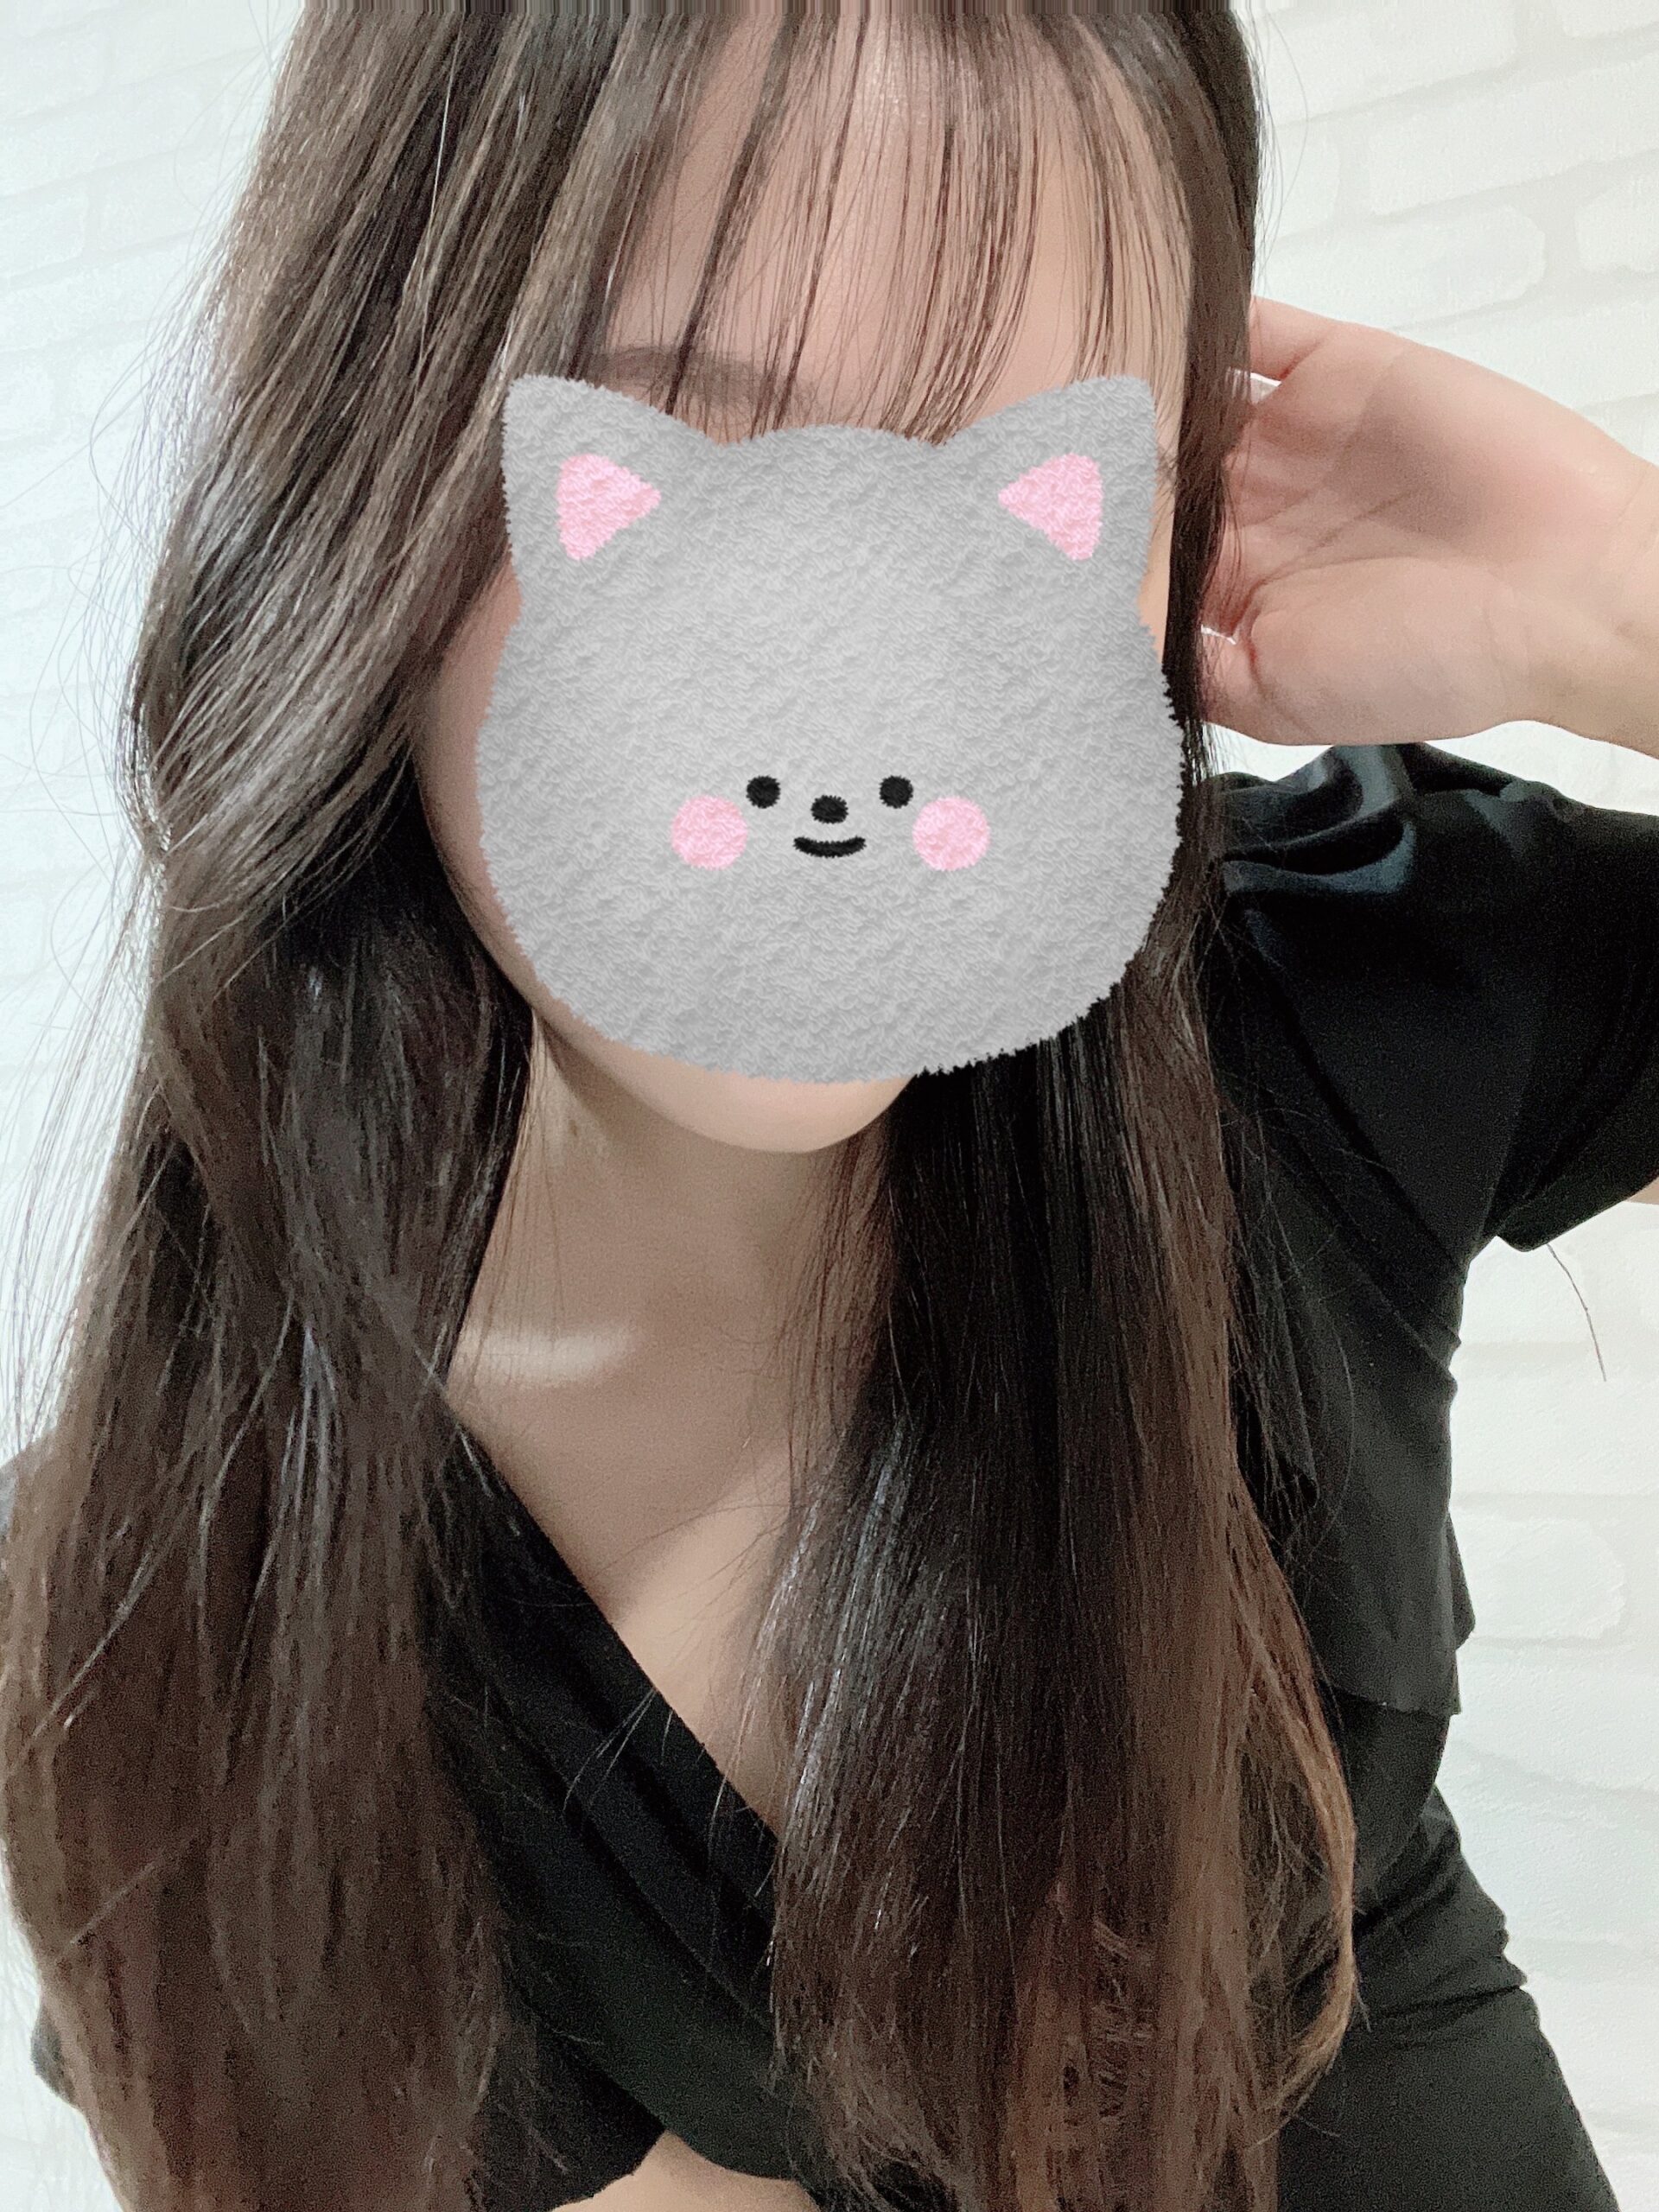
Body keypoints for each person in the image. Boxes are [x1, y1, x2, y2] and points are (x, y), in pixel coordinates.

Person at [2, 8, 1656, 2212]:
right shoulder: (154, 1594)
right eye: (698, 449)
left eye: (1020, 499)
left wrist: (1630, 603)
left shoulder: (1312, 997)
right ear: (360, 464)